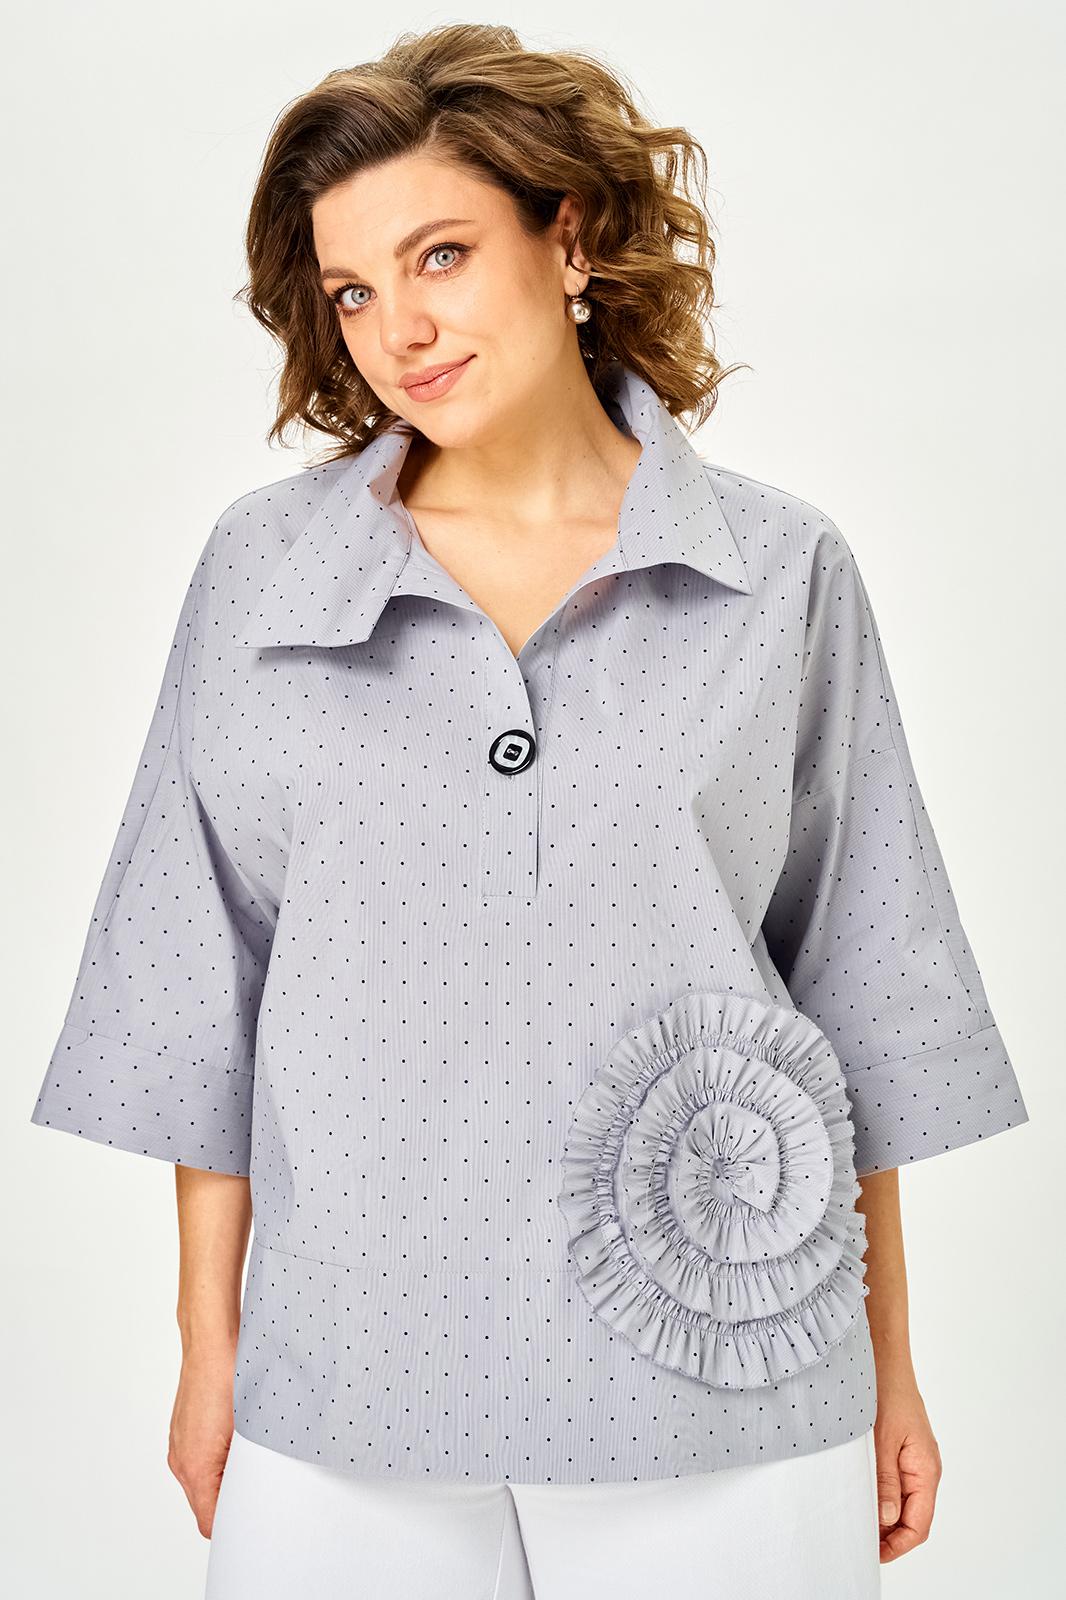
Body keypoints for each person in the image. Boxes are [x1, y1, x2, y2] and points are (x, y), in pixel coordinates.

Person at [29, 22, 1030, 1600]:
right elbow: (196, 977)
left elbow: (845, 993)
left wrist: (886, 1363)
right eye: (353, 291)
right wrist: (209, 1352)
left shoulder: (778, 573)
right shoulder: (265, 573)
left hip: (722, 1385)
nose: (399, 329)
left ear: (568, 238)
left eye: (439, 255)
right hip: (347, 1376)